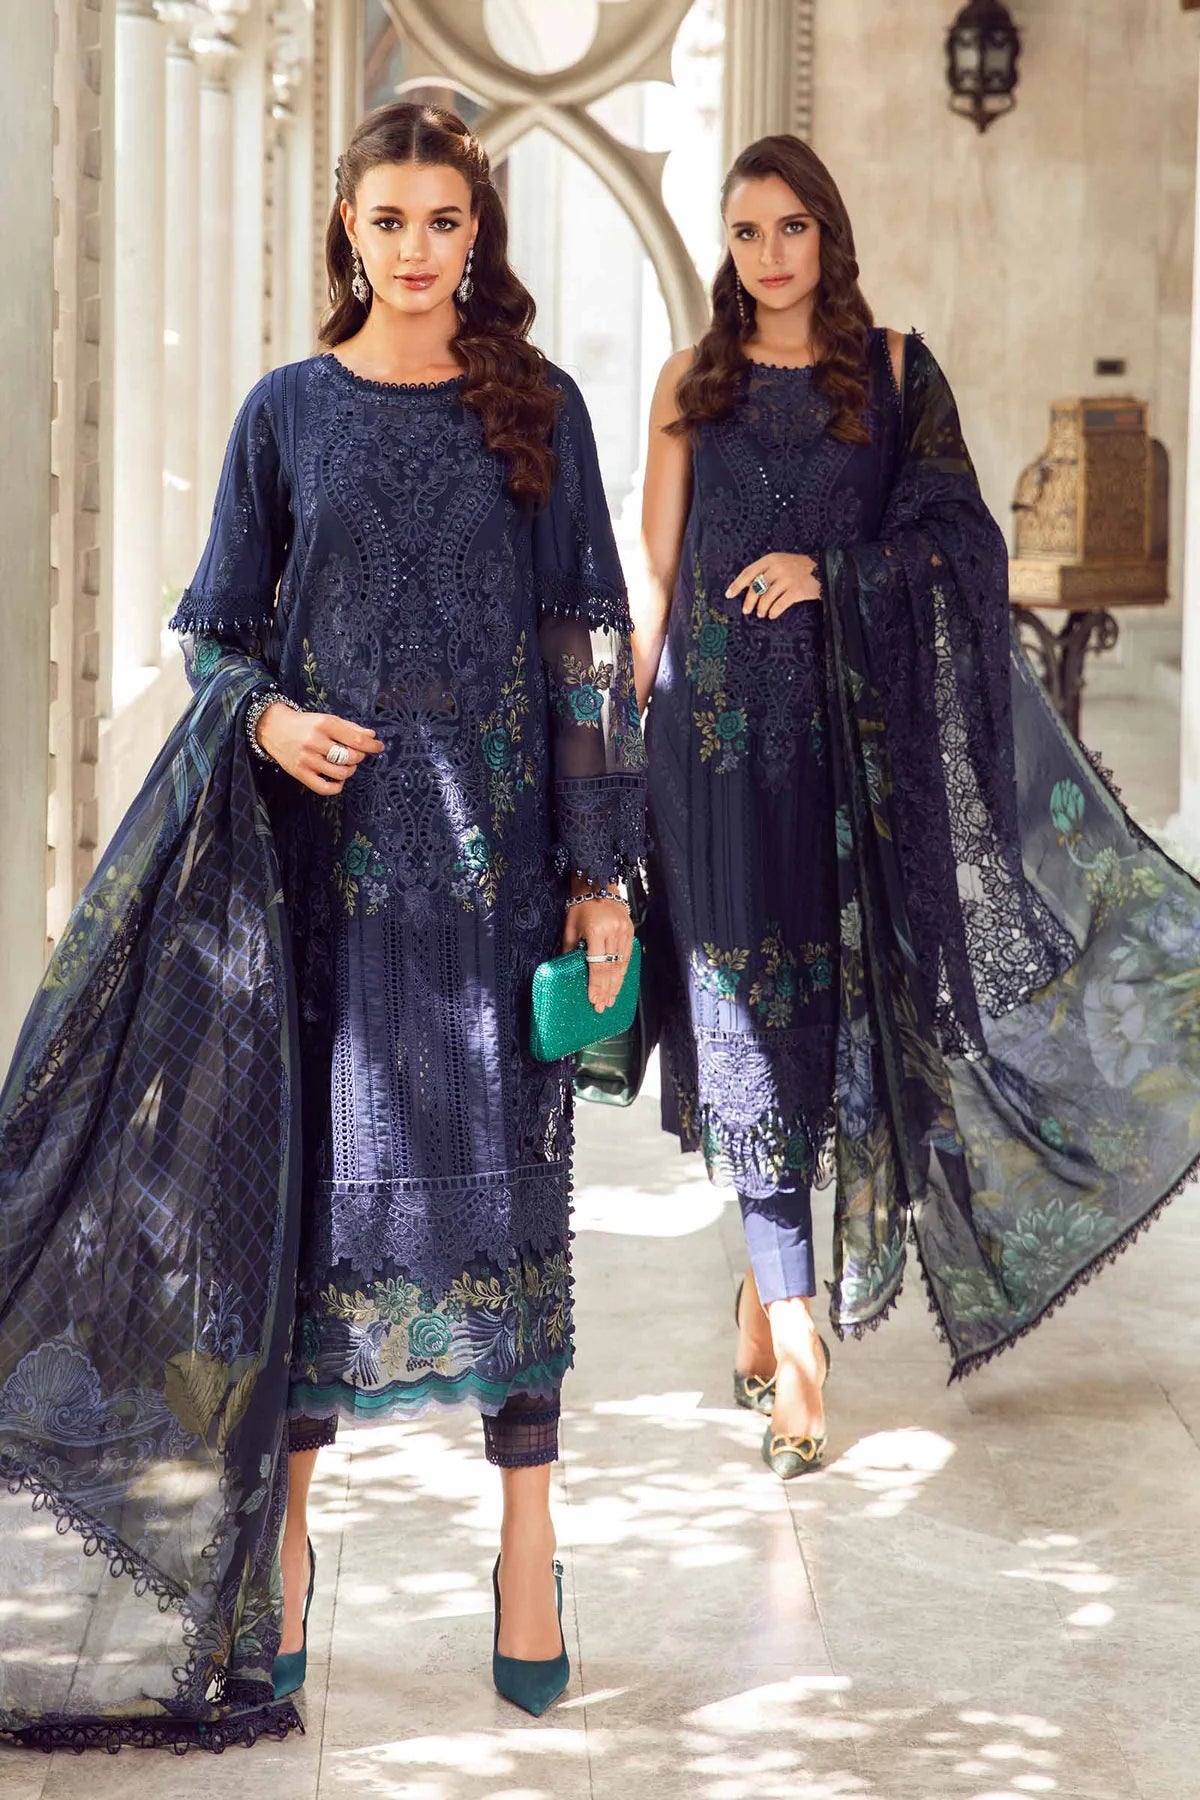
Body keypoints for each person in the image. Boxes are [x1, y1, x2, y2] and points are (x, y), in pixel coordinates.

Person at [0, 102, 644, 1750]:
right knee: (313, 1231)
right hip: (326, 897)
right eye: (392, 219)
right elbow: (217, 636)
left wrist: (600, 874)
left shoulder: (539, 409)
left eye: (448, 220)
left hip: (494, 889)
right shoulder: (285, 415)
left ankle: (527, 1549)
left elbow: (582, 650)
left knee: (515, 1216)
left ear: (477, 235)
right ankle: (278, 1552)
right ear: (348, 227)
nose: (420, 249)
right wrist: (270, 720)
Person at [634, 134, 1200, 1480]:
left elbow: (963, 544)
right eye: (747, 231)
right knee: (746, 1035)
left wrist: (828, 571)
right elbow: (656, 582)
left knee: (836, 1035)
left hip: (852, 768)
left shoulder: (894, 374)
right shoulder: (690, 382)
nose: (769, 254)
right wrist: (613, 764)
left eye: (791, 227)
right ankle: (799, 1339)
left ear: (828, 235)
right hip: (711, 757)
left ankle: (764, 1290)